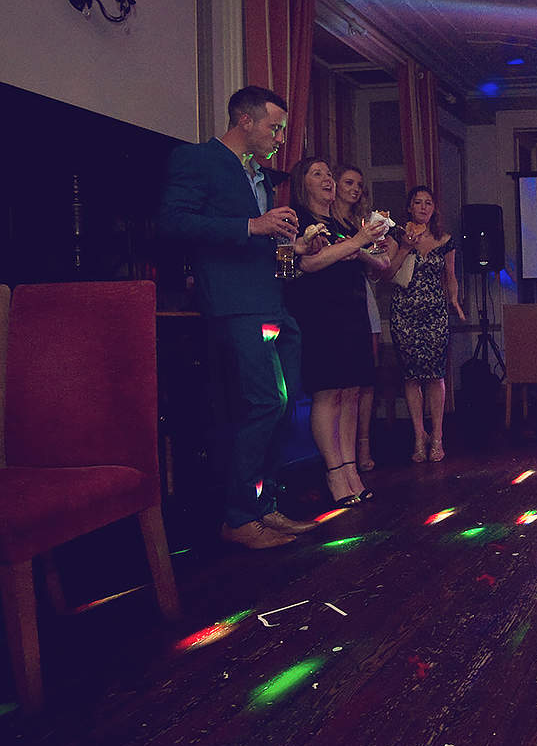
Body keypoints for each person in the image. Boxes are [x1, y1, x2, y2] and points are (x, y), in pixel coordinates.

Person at [158, 86, 321, 549]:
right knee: (264, 404)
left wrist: (295, 249)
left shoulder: (262, 176)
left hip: (273, 301)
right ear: (244, 120)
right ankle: (237, 516)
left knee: (284, 405)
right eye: (274, 126)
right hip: (235, 303)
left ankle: (265, 506)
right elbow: (172, 222)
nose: (279, 136)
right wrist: (252, 225)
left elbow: (263, 245)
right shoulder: (197, 159)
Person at [285, 157, 390, 508]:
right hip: (320, 315)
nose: (328, 180)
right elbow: (306, 263)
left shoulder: (339, 222)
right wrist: (356, 242)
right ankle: (333, 470)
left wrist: (362, 249)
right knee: (328, 393)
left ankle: (349, 469)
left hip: (352, 311)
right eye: (319, 175)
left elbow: (374, 264)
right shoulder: (297, 219)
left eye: (329, 174)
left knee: (351, 392)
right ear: (304, 183)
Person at [386, 185, 464, 463]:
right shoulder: (397, 235)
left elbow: (450, 275)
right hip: (404, 312)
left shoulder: (445, 239)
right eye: (417, 202)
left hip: (435, 312)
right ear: (409, 207)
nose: (422, 207)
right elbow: (387, 271)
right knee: (411, 375)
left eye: (428, 202)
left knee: (435, 374)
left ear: (434, 208)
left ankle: (438, 435)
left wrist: (454, 299)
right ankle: (419, 435)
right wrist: (406, 246)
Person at [333, 164, 388, 473]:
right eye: (349, 182)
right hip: (336, 302)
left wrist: (369, 251)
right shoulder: (328, 222)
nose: (355, 189)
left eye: (358, 185)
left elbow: (378, 267)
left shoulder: (360, 223)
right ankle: (340, 455)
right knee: (340, 383)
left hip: (363, 298)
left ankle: (362, 443)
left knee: (364, 379)